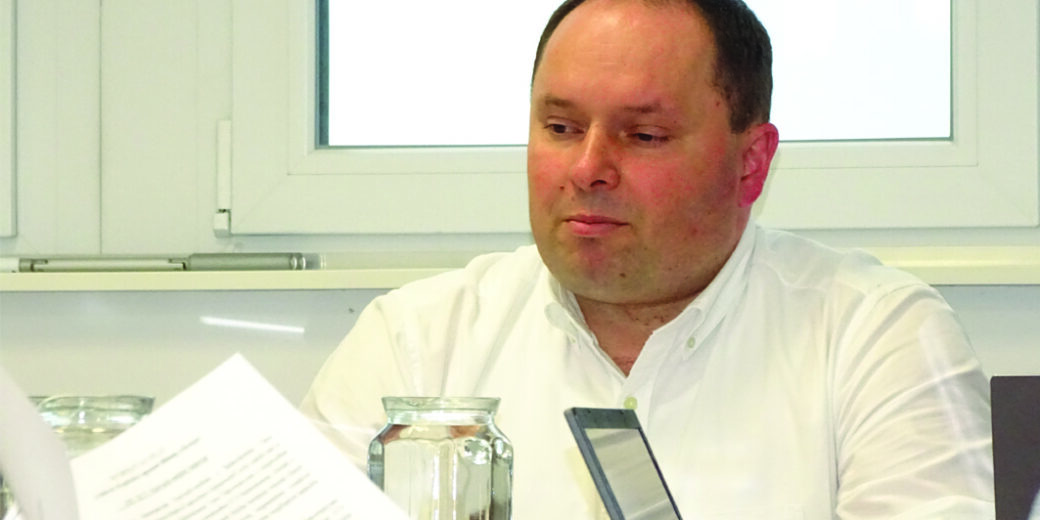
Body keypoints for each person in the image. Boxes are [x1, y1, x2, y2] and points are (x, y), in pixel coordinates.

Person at [301, 0, 994, 517]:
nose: (588, 168)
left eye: (644, 135)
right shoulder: (415, 343)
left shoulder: (877, 337)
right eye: (561, 127)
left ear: (751, 162)